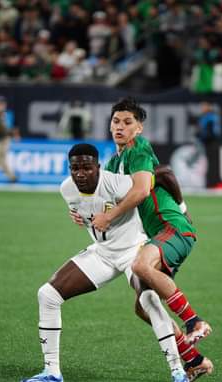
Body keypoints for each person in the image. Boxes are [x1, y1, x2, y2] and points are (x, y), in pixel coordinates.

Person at [20, 144, 193, 382]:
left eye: (87, 168)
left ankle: (177, 371)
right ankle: (51, 371)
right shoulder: (66, 189)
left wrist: (182, 210)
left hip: (134, 249)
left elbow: (163, 173)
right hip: (103, 254)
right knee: (47, 295)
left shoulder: (117, 183)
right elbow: (86, 212)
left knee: (148, 300)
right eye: (75, 168)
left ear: (98, 167)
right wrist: (79, 217)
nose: (80, 173)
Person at [91, 98, 212, 347]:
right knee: (143, 306)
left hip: (172, 228)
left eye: (128, 122)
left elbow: (147, 187)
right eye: (116, 121)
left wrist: (182, 208)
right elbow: (109, 204)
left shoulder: (138, 148)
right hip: (158, 235)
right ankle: (193, 359)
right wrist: (85, 215)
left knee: (140, 265)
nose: (120, 127)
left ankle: (194, 321)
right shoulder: (113, 164)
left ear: (139, 128)